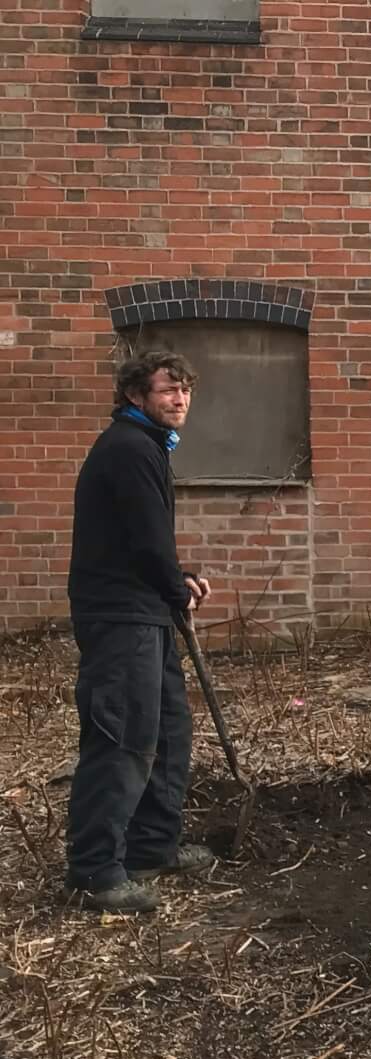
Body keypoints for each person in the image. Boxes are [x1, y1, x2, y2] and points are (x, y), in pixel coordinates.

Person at [64, 351, 218, 912]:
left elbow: (142, 542)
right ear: (136, 396)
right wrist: (175, 584)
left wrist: (175, 579)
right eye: (166, 391)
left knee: (169, 731)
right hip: (121, 617)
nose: (179, 400)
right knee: (122, 738)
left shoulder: (144, 448)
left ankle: (152, 845)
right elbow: (148, 542)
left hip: (144, 610)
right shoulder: (129, 450)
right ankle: (95, 871)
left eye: (185, 390)